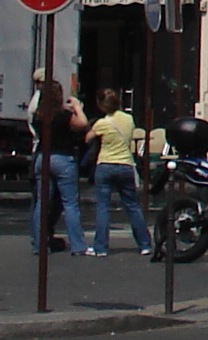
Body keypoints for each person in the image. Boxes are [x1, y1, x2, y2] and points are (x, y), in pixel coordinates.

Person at [84, 88, 151, 256]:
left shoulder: (102, 123)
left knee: (103, 207)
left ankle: (101, 247)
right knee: (132, 205)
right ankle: (145, 244)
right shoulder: (129, 119)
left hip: (105, 164)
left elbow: (88, 138)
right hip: (125, 165)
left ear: (102, 106)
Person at [31, 74, 92, 257]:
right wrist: (77, 107)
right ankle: (78, 245)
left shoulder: (38, 116)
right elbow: (82, 124)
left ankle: (38, 244)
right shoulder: (63, 115)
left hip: (43, 157)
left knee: (42, 203)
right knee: (70, 203)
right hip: (63, 158)